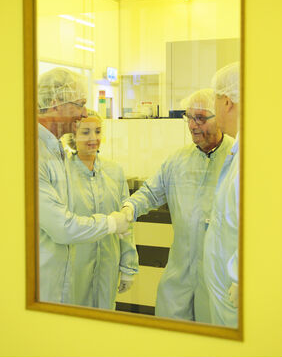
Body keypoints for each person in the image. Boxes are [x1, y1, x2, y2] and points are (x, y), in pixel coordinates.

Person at [121, 89, 234, 322]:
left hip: (219, 277)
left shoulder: (236, 159)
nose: (193, 125)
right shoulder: (178, 160)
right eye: (189, 117)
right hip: (179, 275)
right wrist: (129, 209)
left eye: (201, 118)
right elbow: (152, 192)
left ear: (219, 119)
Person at [38, 67, 130, 304]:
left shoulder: (54, 150)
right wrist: (111, 222)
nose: (82, 113)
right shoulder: (34, 152)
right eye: (79, 105)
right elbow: (62, 226)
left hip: (63, 280)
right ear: (57, 103)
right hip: (44, 282)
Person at [62, 110, 139, 309]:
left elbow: (126, 224)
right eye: (85, 132)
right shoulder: (63, 173)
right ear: (73, 136)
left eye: (97, 131)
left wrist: (128, 266)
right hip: (74, 267)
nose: (93, 138)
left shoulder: (114, 171)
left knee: (105, 322)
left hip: (108, 264)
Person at [203, 62, 240, 328]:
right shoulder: (238, 149)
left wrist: (240, 276)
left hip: (237, 293)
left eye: (214, 101)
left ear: (226, 102)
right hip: (228, 290)